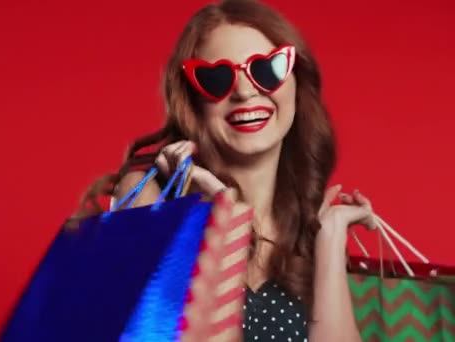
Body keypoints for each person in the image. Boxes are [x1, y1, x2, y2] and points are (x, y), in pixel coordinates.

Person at [71, 0, 376, 340]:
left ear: (296, 81)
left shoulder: (309, 224)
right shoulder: (155, 197)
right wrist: (221, 226)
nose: (245, 92)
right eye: (217, 78)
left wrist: (330, 238)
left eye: (267, 70)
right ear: (193, 100)